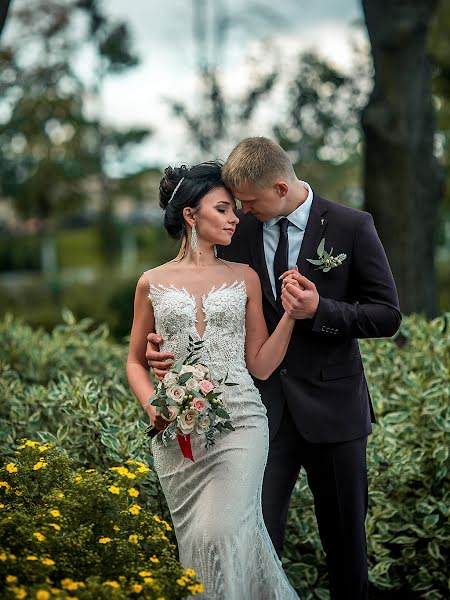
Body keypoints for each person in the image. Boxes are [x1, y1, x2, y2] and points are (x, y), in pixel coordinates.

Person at [146, 138, 402, 600]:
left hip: (334, 413)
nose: (241, 212)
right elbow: (206, 301)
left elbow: (387, 315)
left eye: (248, 203)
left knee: (347, 554)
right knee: (253, 542)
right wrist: (164, 346)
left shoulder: (351, 226)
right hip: (259, 418)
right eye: (234, 204)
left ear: (281, 187)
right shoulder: (238, 231)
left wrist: (320, 308)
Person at [126, 160, 301, 599]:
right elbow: (133, 362)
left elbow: (260, 365)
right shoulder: (151, 282)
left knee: (217, 534)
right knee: (202, 541)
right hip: (176, 435)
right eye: (222, 209)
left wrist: (293, 317)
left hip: (241, 422)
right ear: (190, 215)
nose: (234, 218)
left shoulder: (244, 278)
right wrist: (155, 407)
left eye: (234, 210)